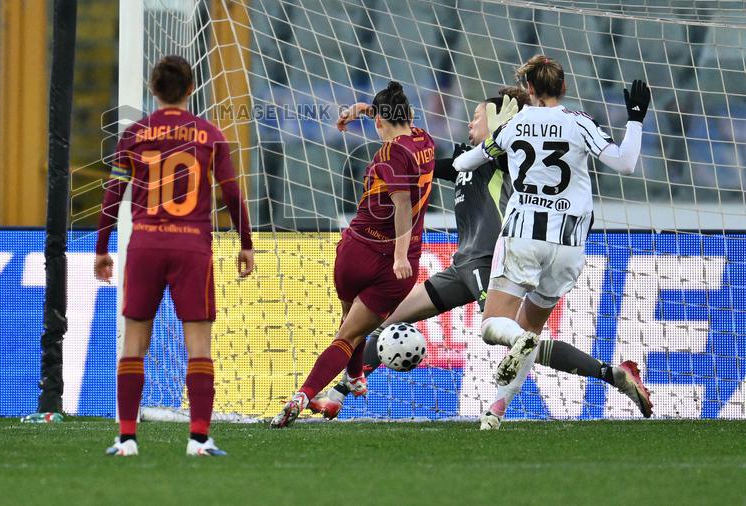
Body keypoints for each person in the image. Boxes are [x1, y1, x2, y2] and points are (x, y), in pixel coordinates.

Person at [308, 86, 652, 421]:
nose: (471, 122)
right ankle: (337, 397)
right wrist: (370, 112)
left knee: (521, 341)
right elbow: (414, 155)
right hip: (462, 267)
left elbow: (521, 152)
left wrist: (509, 125)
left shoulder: (504, 157)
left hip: (489, 263)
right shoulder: (464, 159)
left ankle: (612, 374)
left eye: (477, 116)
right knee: (384, 320)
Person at [453, 55, 651, 429]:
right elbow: (625, 163)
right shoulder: (580, 123)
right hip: (568, 246)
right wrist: (636, 119)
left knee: (494, 326)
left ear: (528, 88)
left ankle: (516, 351)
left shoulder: (514, 125)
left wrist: (479, 156)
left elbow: (466, 163)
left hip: (523, 237)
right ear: (563, 87)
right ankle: (496, 410)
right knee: (530, 330)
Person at [94, 55, 254, 457]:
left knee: (134, 341)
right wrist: (245, 243)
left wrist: (101, 248)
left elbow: (113, 194)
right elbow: (232, 193)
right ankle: (198, 439)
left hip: (145, 245)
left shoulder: (134, 134)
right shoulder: (210, 135)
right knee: (198, 345)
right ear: (191, 88)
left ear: (153, 89)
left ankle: (126, 439)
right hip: (191, 247)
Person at [271, 81, 434, 428]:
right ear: (409, 115)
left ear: (380, 121)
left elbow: (401, 203)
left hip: (355, 251)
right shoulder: (425, 141)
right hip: (391, 266)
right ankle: (305, 394)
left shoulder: (389, 153)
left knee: (349, 328)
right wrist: (400, 256)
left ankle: (354, 376)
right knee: (350, 334)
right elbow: (404, 205)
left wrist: (362, 109)